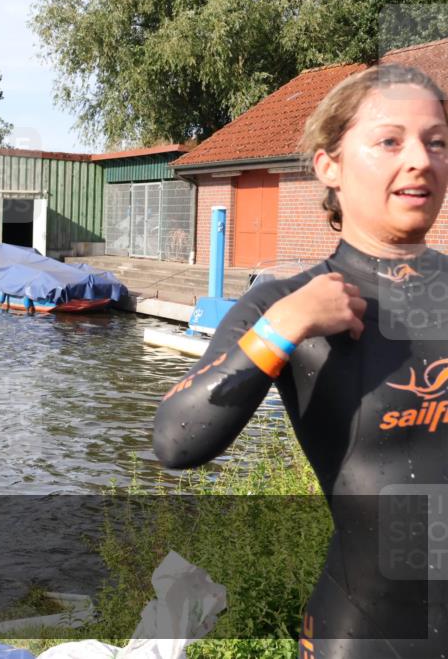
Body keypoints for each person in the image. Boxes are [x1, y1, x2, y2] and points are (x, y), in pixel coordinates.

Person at [153, 64, 447, 658]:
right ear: (329, 166)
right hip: (368, 632)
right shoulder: (283, 304)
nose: (420, 159)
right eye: (390, 141)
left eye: (436, 142)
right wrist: (282, 328)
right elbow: (175, 442)